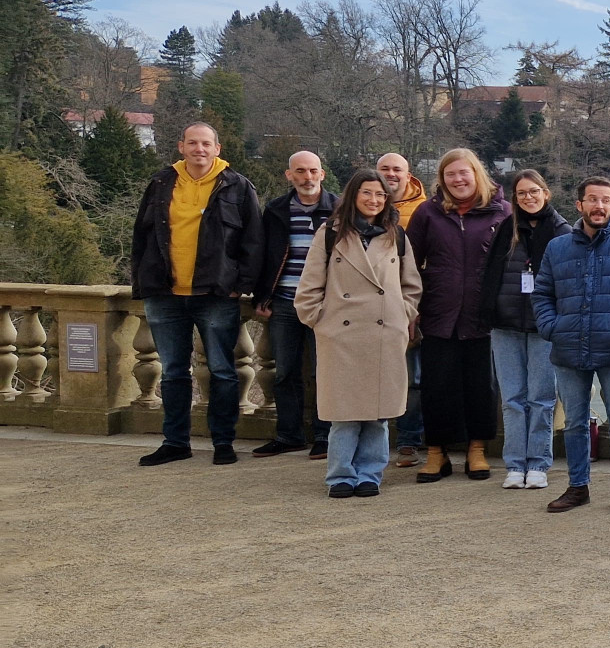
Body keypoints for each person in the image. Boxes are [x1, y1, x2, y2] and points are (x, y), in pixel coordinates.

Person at [130, 123, 264, 467]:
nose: (199, 149)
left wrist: (242, 284)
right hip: (165, 293)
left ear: (217, 149)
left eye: (206, 143)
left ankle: (223, 442)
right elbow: (142, 236)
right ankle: (175, 442)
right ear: (181, 147)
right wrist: (141, 282)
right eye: (192, 143)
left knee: (222, 370)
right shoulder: (161, 183)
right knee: (173, 371)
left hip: (216, 294)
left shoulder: (237, 186)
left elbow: (253, 240)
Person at [293, 170, 422, 499]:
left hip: (384, 333)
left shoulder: (396, 235)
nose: (374, 200)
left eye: (380, 195)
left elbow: (411, 285)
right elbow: (308, 288)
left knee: (378, 415)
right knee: (343, 414)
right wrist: (323, 323)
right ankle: (340, 474)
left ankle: (370, 474)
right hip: (341, 336)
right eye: (367, 193)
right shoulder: (330, 233)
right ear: (353, 195)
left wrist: (401, 315)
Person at [537, 177, 610, 516]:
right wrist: (551, 327)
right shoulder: (557, 248)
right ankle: (578, 487)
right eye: (592, 199)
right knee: (574, 422)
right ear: (579, 205)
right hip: (568, 348)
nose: (599, 206)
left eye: (606, 200)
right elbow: (543, 293)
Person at [404, 148, 511, 483]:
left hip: (484, 315)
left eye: (464, 172)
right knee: (436, 386)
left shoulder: (502, 212)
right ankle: (437, 453)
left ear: (476, 174)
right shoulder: (428, 212)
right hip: (438, 312)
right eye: (450, 174)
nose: (458, 179)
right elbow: (408, 262)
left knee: (481, 386)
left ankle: (476, 450)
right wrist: (411, 308)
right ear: (442, 179)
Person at [480, 169, 570, 490]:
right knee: (513, 399)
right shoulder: (506, 229)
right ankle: (515, 464)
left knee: (542, 398)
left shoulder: (562, 232)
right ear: (515, 198)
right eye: (521, 193)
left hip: (543, 326)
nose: (528, 197)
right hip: (505, 325)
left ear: (546, 193)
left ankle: (538, 464)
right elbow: (490, 274)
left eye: (534, 191)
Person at [252, 150, 337, 459]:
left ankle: (326, 436)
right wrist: (262, 295)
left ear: (322, 174)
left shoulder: (339, 210)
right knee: (285, 373)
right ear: (289, 175)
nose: (307, 177)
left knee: (324, 373)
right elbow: (264, 255)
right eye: (300, 171)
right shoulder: (276, 210)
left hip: (326, 305)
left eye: (313, 171)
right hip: (285, 303)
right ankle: (289, 436)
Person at [377, 152, 428, 467]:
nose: (391, 174)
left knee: (413, 378)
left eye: (397, 169)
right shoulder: (363, 206)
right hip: (370, 306)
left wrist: (415, 308)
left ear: (409, 175)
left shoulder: (425, 210)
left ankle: (408, 441)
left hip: (409, 305)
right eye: (384, 168)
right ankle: (372, 441)